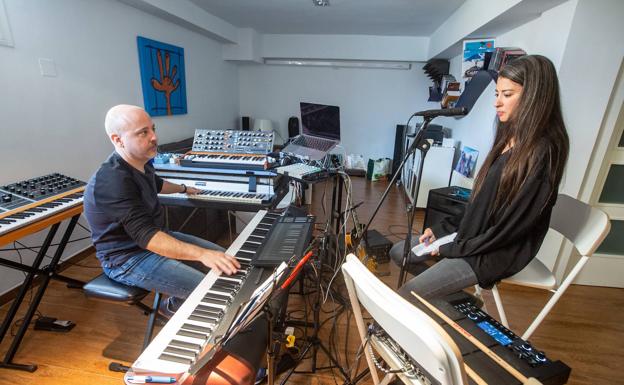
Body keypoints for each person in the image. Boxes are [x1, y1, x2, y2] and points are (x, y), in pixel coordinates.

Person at [398, 55, 569, 301]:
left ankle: (455, 313)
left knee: (407, 294)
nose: (497, 103)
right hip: (473, 237)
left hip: (495, 250)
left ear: (534, 97)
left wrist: (452, 248)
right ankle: (463, 303)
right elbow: (480, 203)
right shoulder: (508, 135)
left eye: (507, 95)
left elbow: (509, 230)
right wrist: (441, 230)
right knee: (399, 252)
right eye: (496, 94)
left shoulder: (544, 152)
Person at [83, 104, 240, 317]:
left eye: (153, 129)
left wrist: (185, 189)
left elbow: (156, 183)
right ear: (117, 140)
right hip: (127, 259)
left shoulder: (141, 161)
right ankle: (175, 308)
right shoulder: (112, 181)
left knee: (227, 261)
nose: (154, 137)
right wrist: (202, 254)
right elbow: (147, 237)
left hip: (155, 237)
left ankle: (178, 302)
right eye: (143, 133)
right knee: (211, 291)